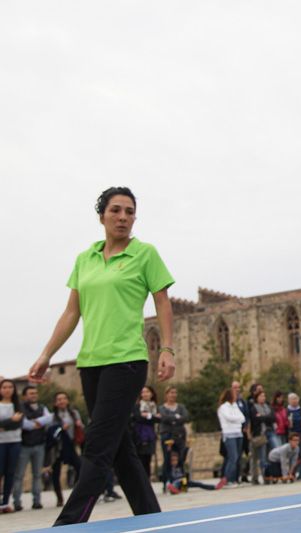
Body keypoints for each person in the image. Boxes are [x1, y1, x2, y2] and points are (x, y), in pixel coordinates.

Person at [29, 187, 175, 525]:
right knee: (119, 449)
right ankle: (154, 521)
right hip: (91, 363)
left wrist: (166, 349)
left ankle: (68, 525)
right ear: (102, 217)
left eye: (129, 211)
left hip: (126, 362)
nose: (123, 217)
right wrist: (46, 354)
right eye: (116, 210)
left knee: (97, 446)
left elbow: (163, 301)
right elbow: (71, 313)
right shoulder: (85, 259)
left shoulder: (145, 254)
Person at [13, 385, 54, 511]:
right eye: (31, 393)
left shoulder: (42, 407)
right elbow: (24, 424)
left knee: (37, 474)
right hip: (24, 445)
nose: (34, 395)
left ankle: (37, 501)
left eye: (35, 393)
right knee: (19, 475)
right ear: (25, 396)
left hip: (39, 445)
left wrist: (35, 422)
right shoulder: (20, 408)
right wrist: (39, 422)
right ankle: (17, 502)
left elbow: (50, 418)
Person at [49, 392, 83, 507]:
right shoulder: (52, 416)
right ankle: (59, 498)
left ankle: (76, 492)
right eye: (59, 399)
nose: (62, 401)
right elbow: (50, 432)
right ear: (55, 402)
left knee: (80, 467)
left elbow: (81, 427)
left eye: (64, 398)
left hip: (71, 445)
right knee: (56, 473)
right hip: (58, 447)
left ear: (67, 401)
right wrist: (60, 428)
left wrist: (79, 425)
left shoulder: (74, 413)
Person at [158, 386, 189, 488]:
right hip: (167, 435)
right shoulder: (162, 408)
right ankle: (167, 482)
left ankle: (181, 482)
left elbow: (185, 417)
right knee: (167, 458)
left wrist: (174, 419)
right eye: (171, 392)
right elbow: (164, 418)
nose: (173, 395)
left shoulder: (181, 407)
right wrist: (176, 417)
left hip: (179, 435)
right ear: (166, 394)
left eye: (175, 392)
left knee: (180, 458)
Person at [0, 379, 23, 513]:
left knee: (10, 473)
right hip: (1, 443)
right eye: (4, 387)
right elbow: (13, 422)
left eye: (10, 387)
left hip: (15, 441)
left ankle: (5, 503)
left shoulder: (18, 405)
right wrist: (11, 420)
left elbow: (18, 424)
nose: (7, 389)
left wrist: (4, 425)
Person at [216, 388, 246, 489]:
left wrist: (236, 419)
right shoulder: (223, 407)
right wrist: (236, 419)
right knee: (232, 457)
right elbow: (229, 418)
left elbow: (242, 418)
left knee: (237, 458)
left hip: (238, 433)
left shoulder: (235, 405)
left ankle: (233, 479)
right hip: (229, 434)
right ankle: (227, 479)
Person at [131, 386, 159, 479]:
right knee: (140, 460)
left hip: (150, 436)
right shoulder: (137, 406)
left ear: (151, 394)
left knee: (148, 460)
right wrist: (152, 417)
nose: (145, 394)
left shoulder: (154, 406)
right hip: (139, 436)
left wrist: (148, 415)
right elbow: (138, 418)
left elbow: (159, 419)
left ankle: (147, 481)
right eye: (143, 392)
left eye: (147, 391)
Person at [248, 391, 274, 484]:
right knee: (254, 458)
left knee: (265, 457)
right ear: (257, 398)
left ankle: (265, 477)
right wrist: (265, 417)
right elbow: (255, 419)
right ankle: (254, 478)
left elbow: (272, 418)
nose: (263, 397)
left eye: (264, 396)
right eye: (261, 396)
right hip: (257, 435)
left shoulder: (267, 407)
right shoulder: (253, 408)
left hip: (267, 434)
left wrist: (262, 416)